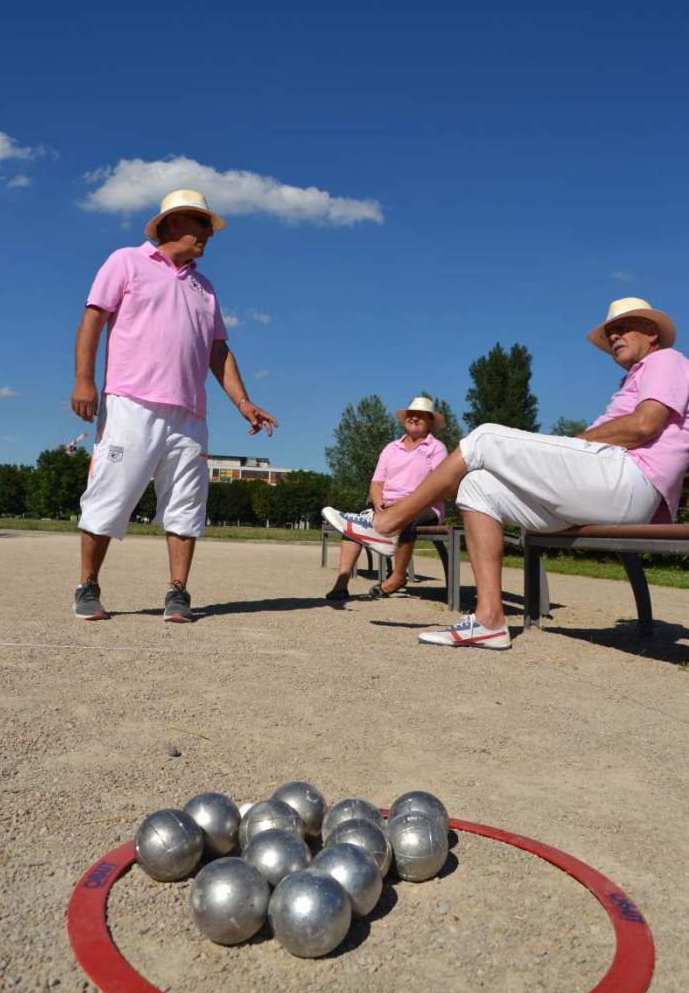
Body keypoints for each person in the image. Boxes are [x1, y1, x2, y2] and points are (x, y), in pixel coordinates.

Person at [326, 298, 689, 649]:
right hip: (607, 487)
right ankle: (489, 621)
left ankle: (386, 525)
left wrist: (574, 443)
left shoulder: (665, 360)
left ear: (651, 332)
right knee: (477, 486)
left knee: (484, 437)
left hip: (631, 482)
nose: (613, 337)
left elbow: (645, 425)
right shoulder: (633, 379)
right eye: (610, 332)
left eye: (623, 328)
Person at [71, 188, 277, 623]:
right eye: (202, 224)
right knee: (109, 495)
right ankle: (88, 586)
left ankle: (178, 593)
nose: (208, 234)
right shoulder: (125, 261)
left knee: (187, 503)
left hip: (189, 412)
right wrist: (85, 380)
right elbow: (93, 317)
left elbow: (218, 352)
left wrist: (243, 401)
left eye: (209, 227)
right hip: (130, 402)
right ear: (174, 223)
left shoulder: (205, 288)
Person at [322, 396, 448, 600]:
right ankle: (341, 582)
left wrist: (405, 503)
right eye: (410, 415)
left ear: (430, 422)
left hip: (424, 505)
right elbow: (377, 482)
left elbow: (437, 484)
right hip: (386, 505)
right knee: (353, 522)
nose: (414, 419)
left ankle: (398, 577)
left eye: (420, 416)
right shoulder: (391, 448)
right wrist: (378, 501)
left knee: (408, 518)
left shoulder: (436, 448)